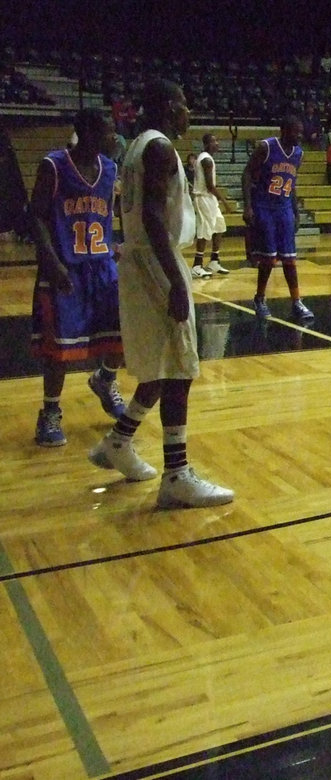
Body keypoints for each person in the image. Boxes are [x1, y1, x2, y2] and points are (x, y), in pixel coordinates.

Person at [88, 80, 234, 507]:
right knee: (180, 369)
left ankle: (118, 442)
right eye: (185, 104)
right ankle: (177, 475)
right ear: (170, 106)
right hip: (157, 260)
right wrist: (174, 281)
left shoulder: (137, 145)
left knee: (160, 364)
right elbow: (152, 216)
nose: (189, 112)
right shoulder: (160, 148)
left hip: (140, 259)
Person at [29, 108, 126, 447]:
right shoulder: (54, 166)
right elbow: (36, 216)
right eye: (108, 130)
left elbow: (111, 213)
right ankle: (50, 412)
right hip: (65, 268)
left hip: (101, 266)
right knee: (59, 350)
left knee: (121, 335)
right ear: (86, 132)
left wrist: (118, 244)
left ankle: (105, 379)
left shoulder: (110, 168)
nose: (114, 136)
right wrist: (51, 261)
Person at [242, 116, 314, 321]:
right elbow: (246, 174)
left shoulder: (298, 154)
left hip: (284, 208)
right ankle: (260, 298)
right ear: (284, 130)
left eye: (301, 132)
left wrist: (296, 212)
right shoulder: (266, 147)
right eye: (295, 132)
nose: (299, 136)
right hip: (264, 206)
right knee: (268, 258)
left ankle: (297, 301)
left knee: (290, 258)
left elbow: (292, 184)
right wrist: (248, 206)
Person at [191, 133, 232, 278]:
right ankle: (197, 265)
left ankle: (214, 261)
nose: (217, 143)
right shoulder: (206, 160)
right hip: (203, 198)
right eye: (214, 141)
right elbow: (210, 186)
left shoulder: (207, 158)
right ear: (207, 144)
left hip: (209, 198)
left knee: (219, 226)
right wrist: (225, 202)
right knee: (205, 230)